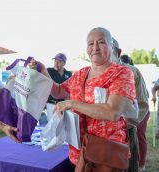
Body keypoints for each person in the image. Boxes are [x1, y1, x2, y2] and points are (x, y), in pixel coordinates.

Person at [31, 27, 136, 171]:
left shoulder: (122, 73)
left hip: (106, 154)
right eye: (90, 44)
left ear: (111, 46)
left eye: (101, 42)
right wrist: (43, 72)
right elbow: (58, 91)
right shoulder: (81, 73)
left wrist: (71, 103)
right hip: (79, 152)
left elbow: (112, 112)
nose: (95, 48)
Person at [112, 38, 149, 172]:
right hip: (101, 140)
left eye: (105, 44)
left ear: (117, 52)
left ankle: (142, 163)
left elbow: (143, 103)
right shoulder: (94, 73)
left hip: (127, 131)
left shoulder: (132, 72)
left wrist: (129, 124)